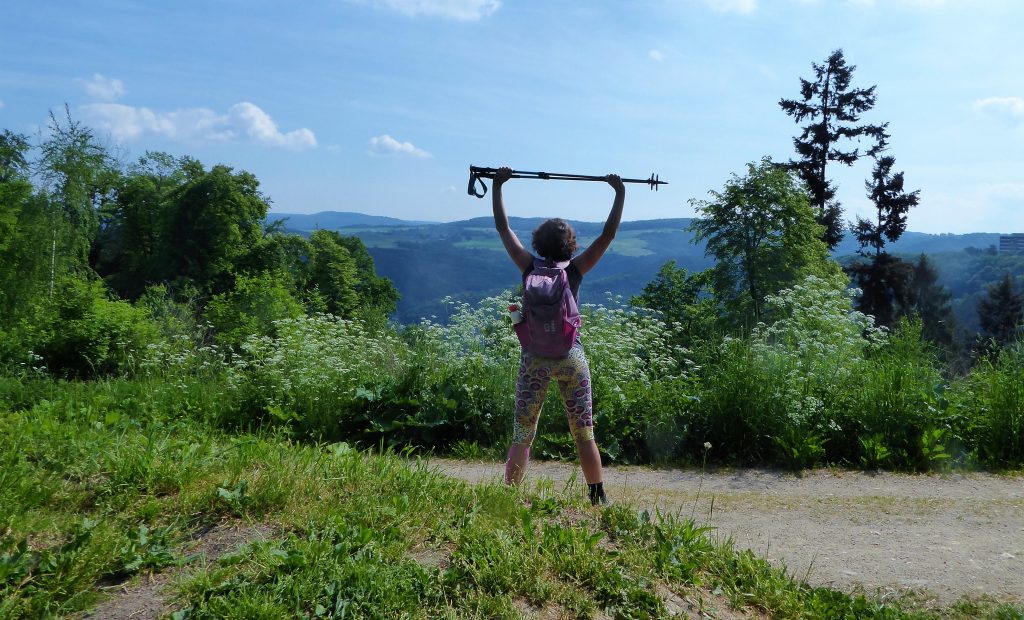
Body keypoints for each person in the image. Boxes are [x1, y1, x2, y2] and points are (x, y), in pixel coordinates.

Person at [490, 166, 624, 506]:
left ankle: (510, 496)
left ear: (537, 242)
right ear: (570, 245)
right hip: (571, 357)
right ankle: (597, 495)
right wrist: (619, 192)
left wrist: (497, 186)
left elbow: (503, 227)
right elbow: (608, 235)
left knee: (523, 433)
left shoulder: (527, 266)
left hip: (534, 357)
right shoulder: (576, 270)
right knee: (583, 432)